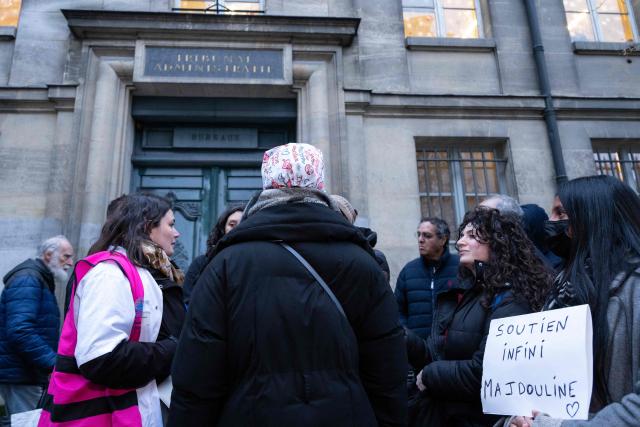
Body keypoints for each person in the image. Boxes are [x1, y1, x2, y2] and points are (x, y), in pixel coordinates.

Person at [169, 143, 406, 426]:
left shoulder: (227, 263)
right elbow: (387, 370)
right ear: (319, 182)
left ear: (267, 182)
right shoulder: (361, 261)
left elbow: (197, 374)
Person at [507, 176, 640, 426]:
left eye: (561, 213)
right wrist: (519, 417)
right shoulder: (563, 289)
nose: (551, 223)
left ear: (594, 218)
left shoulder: (634, 288)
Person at [39, 194, 181, 426]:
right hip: (99, 416)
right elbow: (102, 358)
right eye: (170, 224)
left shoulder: (131, 270)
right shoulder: (110, 274)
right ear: (147, 227)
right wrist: (175, 348)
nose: (176, 233)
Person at [406, 207, 553, 426]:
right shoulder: (470, 292)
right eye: (462, 235)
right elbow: (440, 353)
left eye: (472, 236)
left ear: (498, 244)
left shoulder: (512, 298)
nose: (460, 243)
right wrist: (403, 338)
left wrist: (429, 374)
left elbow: (486, 371)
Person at [0, 236, 74, 416]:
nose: (71, 263)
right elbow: (20, 330)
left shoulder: (38, 278)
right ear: (49, 255)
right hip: (21, 376)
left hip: (25, 373)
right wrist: (52, 363)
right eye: (66, 256)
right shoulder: (29, 279)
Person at [395, 217, 459, 340]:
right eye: (418, 235)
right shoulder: (408, 271)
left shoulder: (460, 268)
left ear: (443, 239)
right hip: (417, 349)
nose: (420, 240)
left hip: (453, 348)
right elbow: (397, 311)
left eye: (427, 236)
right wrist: (408, 336)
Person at [181, 204, 244, 305]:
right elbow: (187, 301)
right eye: (232, 225)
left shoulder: (253, 263)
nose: (236, 229)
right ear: (223, 229)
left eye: (242, 224)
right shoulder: (200, 263)